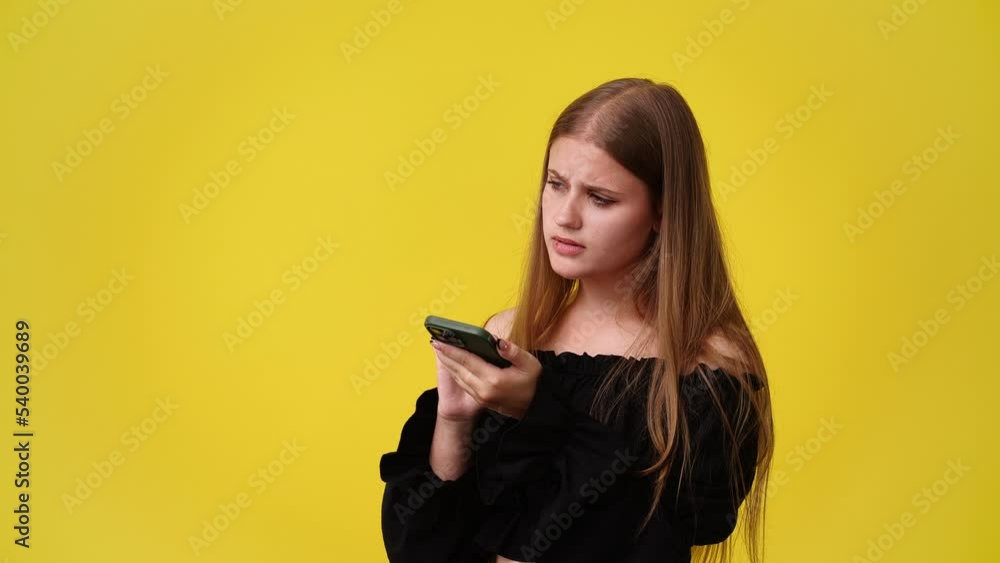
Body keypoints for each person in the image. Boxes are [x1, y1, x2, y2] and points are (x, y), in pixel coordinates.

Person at [379, 77, 775, 563]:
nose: (565, 216)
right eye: (556, 184)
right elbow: (423, 551)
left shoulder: (706, 366)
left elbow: (651, 537)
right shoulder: (511, 335)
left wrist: (541, 413)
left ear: (663, 211)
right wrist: (454, 421)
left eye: (600, 198)